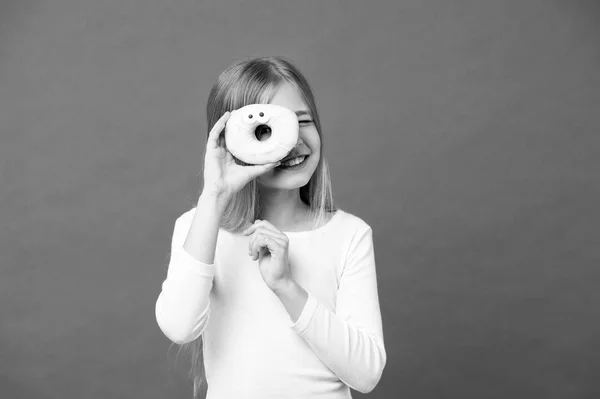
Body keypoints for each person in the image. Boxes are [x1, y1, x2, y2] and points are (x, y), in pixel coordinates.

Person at [155, 56, 386, 399]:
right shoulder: (200, 227)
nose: (294, 143)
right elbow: (179, 326)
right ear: (233, 139)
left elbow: (366, 374)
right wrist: (214, 196)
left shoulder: (348, 235)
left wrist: (286, 286)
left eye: (302, 121)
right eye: (268, 129)